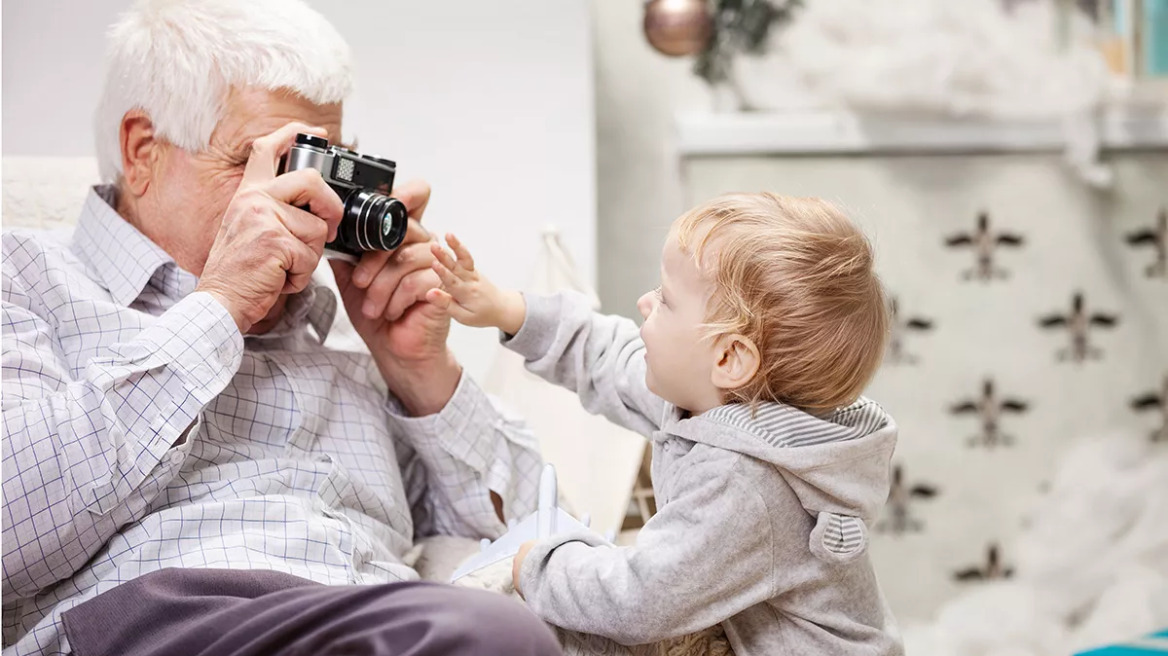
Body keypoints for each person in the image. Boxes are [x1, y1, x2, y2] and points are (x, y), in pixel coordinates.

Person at [0, 1, 561, 655]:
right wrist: (219, 308)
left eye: (321, 167)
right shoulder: (26, 279)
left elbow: (549, 540)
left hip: (367, 618)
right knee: (491, 636)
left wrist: (422, 376)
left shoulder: (344, 342)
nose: (309, 208)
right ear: (143, 150)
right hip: (151, 624)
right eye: (259, 162)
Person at [426, 192, 905, 655]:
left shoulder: (746, 484)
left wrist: (540, 563)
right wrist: (507, 309)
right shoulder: (707, 396)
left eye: (666, 299)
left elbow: (637, 601)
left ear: (730, 356)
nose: (643, 303)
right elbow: (608, 357)